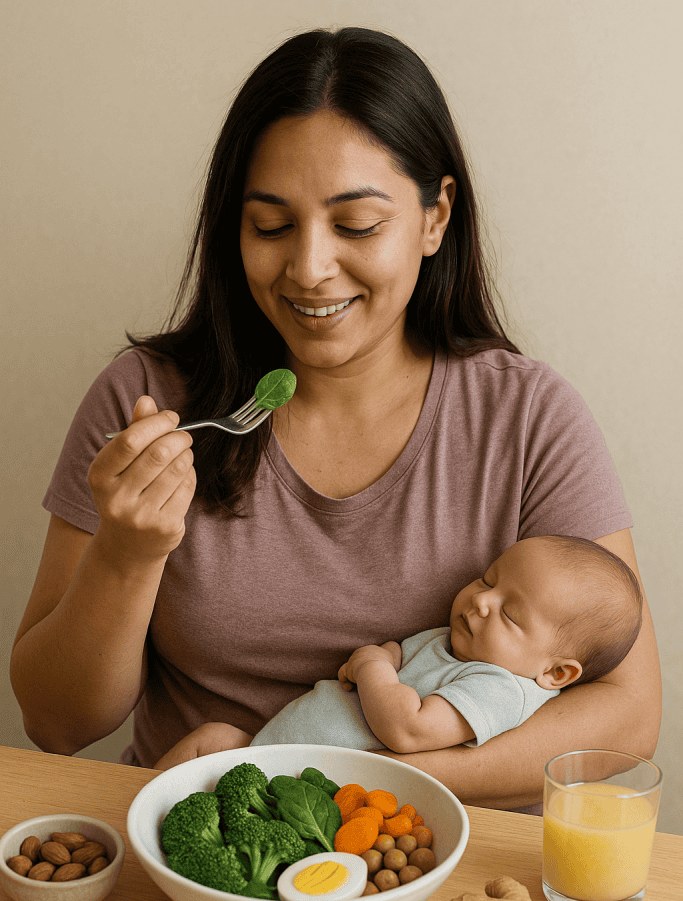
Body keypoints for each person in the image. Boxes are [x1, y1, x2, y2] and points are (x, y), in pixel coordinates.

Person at [10, 27, 660, 811]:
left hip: (417, 851)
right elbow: (55, 723)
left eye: (355, 225)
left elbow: (626, 715)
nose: (309, 267)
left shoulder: (526, 417)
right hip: (195, 841)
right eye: (271, 226)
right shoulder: (147, 399)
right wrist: (125, 555)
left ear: (433, 218)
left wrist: (348, 783)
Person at [152, 535, 643, 768]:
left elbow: (409, 728)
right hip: (270, 749)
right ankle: (132, 830)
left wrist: (371, 666)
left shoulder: (501, 689)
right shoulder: (457, 644)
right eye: (487, 579)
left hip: (320, 787)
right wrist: (386, 656)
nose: (481, 600)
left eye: (510, 614)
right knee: (212, 738)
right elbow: (400, 657)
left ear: (555, 673)